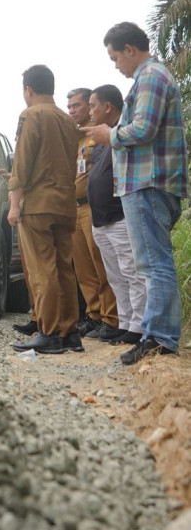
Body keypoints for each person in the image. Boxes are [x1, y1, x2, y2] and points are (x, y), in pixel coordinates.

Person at [83, 22, 188, 364]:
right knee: (152, 262)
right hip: (148, 183)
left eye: (115, 57)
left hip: (148, 182)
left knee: (153, 264)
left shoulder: (151, 77)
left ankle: (159, 339)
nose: (116, 66)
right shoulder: (150, 77)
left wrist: (109, 135)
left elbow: (143, 128)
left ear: (129, 49)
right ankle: (157, 336)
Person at [10, 65, 81, 355]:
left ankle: (49, 332)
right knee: (64, 268)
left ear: (28, 90)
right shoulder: (67, 120)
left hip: (38, 204)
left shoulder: (31, 115)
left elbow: (22, 162)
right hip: (65, 204)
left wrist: (14, 203)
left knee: (42, 270)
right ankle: (70, 332)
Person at [86, 84, 145, 345]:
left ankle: (139, 326)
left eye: (92, 106)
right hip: (100, 219)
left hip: (120, 216)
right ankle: (126, 322)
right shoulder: (101, 138)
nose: (90, 112)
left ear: (108, 106)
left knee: (132, 271)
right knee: (115, 276)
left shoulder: (123, 132)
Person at [66, 87, 119, 337]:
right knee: (83, 268)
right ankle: (94, 314)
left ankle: (111, 317)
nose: (72, 111)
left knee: (101, 265)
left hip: (93, 206)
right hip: (75, 208)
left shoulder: (99, 134)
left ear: (90, 106)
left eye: (76, 105)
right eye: (69, 107)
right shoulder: (76, 138)